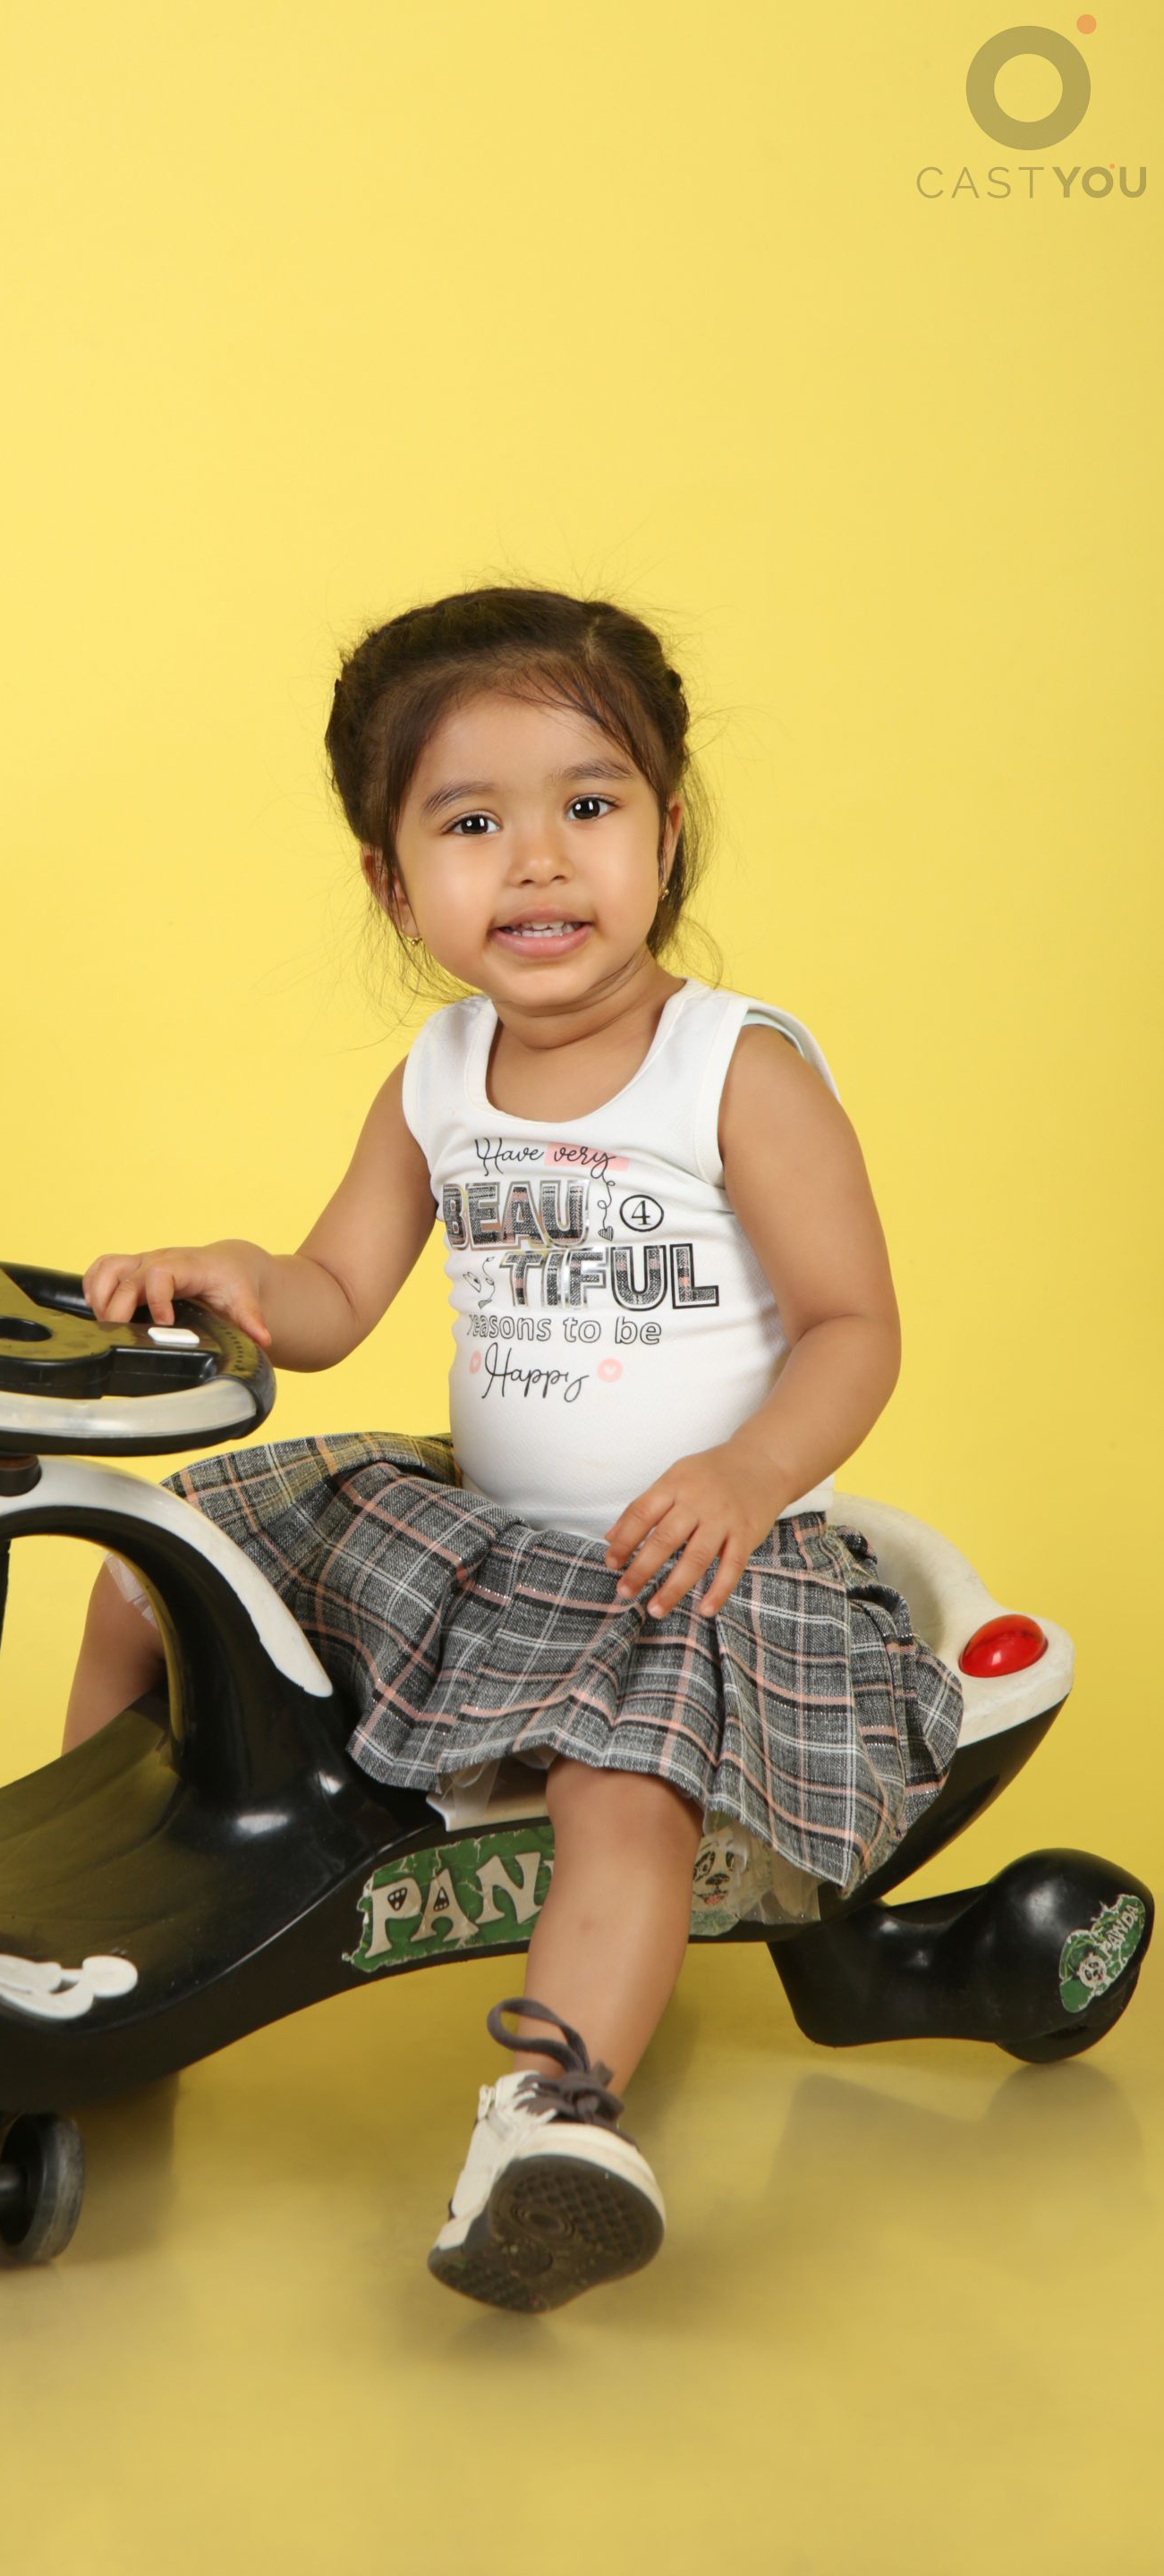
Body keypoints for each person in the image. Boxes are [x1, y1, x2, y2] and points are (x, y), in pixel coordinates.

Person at [63, 585, 964, 2313]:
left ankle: (551, 2122)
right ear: (394, 885)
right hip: (495, 1541)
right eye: (471, 824)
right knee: (156, 1562)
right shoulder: (440, 1071)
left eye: (588, 805)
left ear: (666, 831)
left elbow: (856, 1324)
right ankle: (100, 1928)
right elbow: (335, 1294)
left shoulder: (731, 1069)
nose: (539, 862)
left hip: (693, 1563)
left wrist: (747, 1475)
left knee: (623, 1786)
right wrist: (240, 1277)